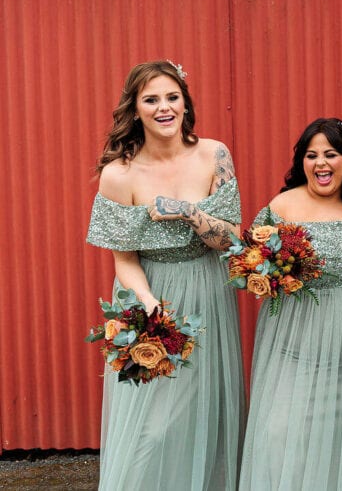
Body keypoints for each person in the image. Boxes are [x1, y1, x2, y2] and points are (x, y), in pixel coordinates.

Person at [86, 60, 244, 490]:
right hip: (149, 297)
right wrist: (150, 306)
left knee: (202, 414)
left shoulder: (214, 154)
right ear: (134, 109)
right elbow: (124, 259)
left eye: (172, 97)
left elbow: (232, 239)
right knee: (151, 428)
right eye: (151, 99)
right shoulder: (119, 174)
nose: (164, 108)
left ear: (185, 103)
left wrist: (190, 212)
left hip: (207, 291)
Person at [238, 118, 342, 490]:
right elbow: (249, 263)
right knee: (281, 432)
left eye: (331, 154)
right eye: (311, 155)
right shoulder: (283, 206)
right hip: (297, 344)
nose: (321, 164)